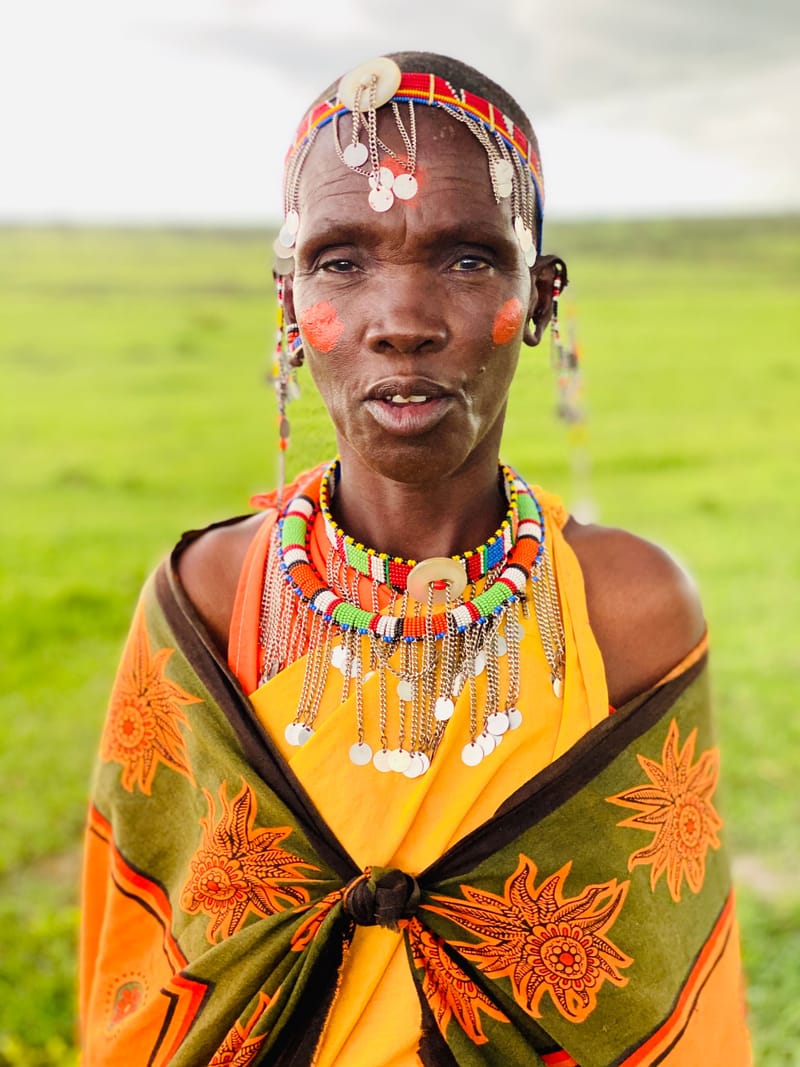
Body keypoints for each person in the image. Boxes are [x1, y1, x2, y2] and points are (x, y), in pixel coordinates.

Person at [80, 52, 751, 1066]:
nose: (400, 321)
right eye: (341, 260)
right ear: (286, 300)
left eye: (468, 258)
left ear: (541, 298)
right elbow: (139, 963)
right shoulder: (215, 598)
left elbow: (665, 1009)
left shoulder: (627, 609)